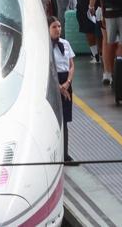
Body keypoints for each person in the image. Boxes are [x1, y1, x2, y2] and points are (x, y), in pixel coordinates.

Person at [49, 16, 75, 162]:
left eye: (59, 26)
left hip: (66, 81)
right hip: (53, 82)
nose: (58, 29)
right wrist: (58, 87)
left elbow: (71, 65)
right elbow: (48, 68)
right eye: (54, 27)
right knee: (53, 120)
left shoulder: (65, 43)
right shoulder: (45, 46)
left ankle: (65, 154)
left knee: (64, 121)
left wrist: (67, 83)